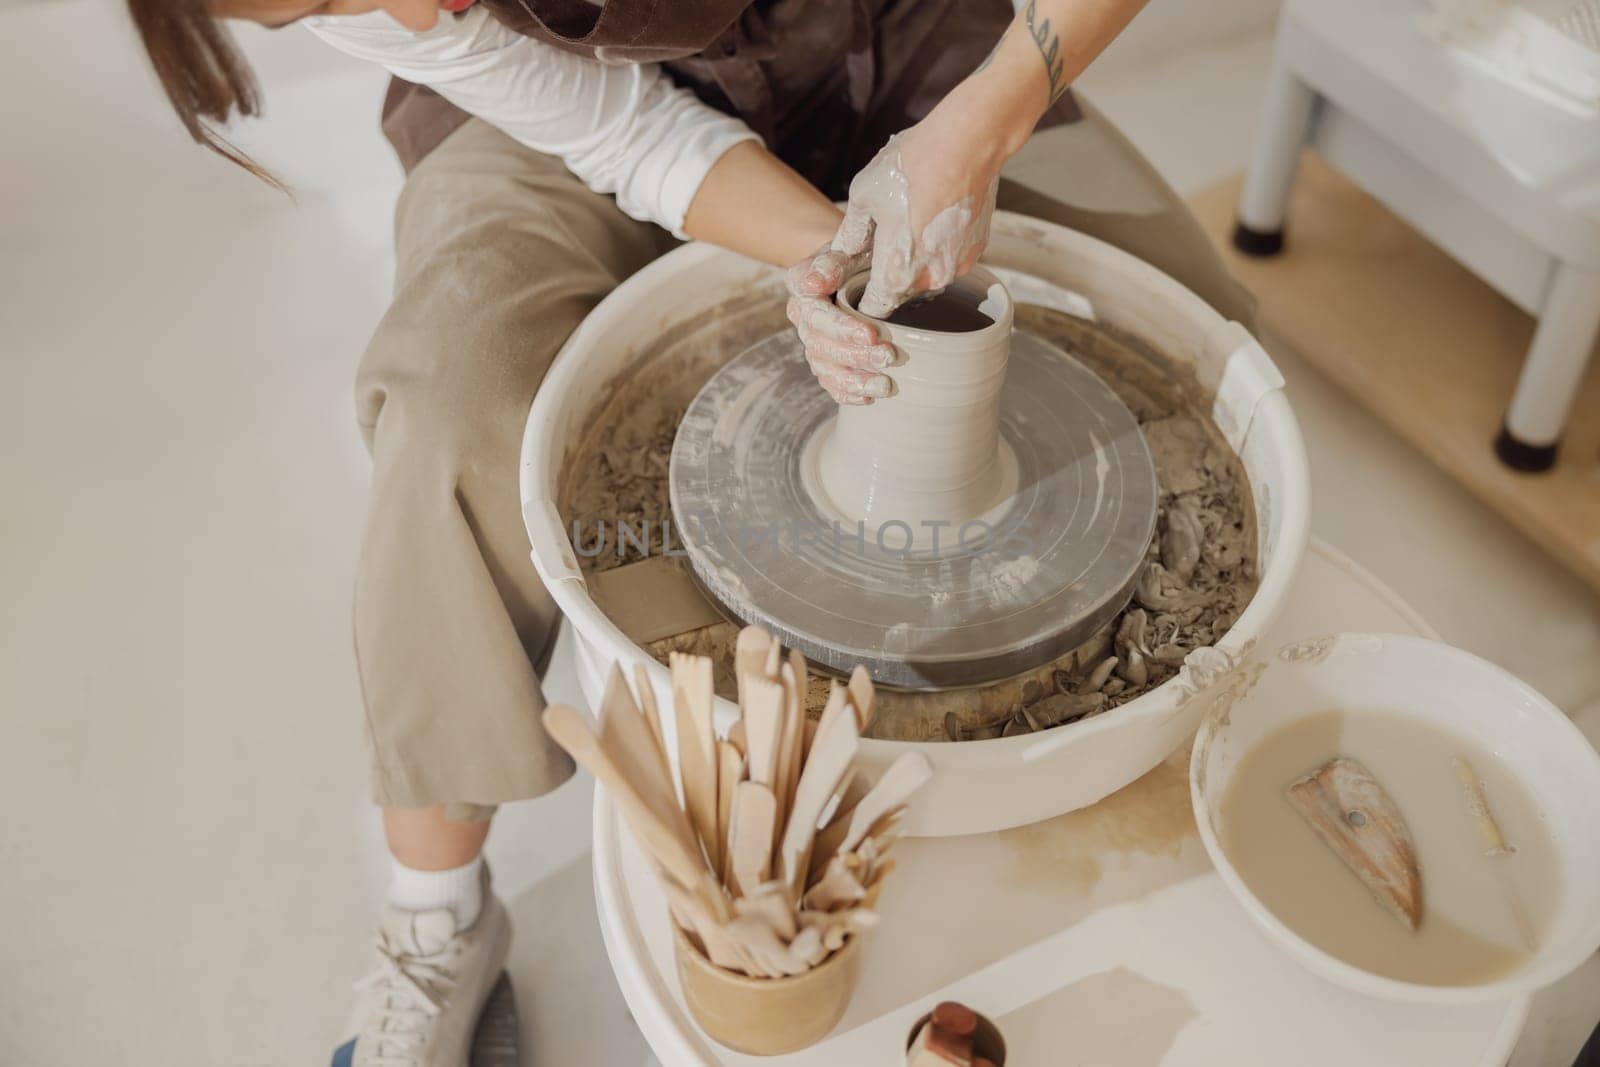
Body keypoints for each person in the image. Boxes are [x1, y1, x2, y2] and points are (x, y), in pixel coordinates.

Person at [127, 0, 1253, 1062]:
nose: (405, 12)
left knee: (1202, 357)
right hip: (550, 116)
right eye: (324, 12)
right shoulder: (425, 11)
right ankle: (437, 921)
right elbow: (626, 130)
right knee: (455, 397)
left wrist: (993, 107)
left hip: (902, 42)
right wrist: (838, 261)